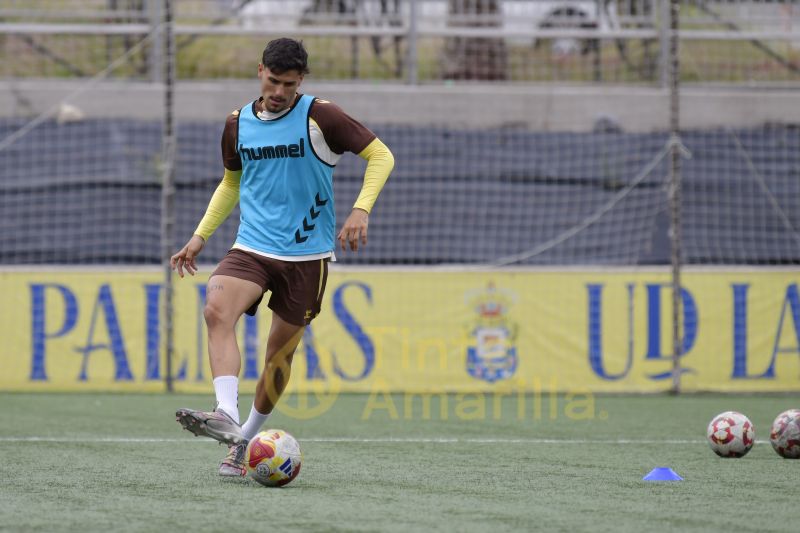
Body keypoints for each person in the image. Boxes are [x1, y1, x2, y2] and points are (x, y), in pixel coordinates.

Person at [171, 38, 394, 476]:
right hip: (251, 247)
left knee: (279, 357)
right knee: (216, 310)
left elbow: (380, 155)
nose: (278, 92)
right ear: (260, 72)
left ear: (301, 81)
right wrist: (199, 236)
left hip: (306, 256)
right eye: (273, 81)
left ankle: (245, 439)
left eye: (288, 84)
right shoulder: (237, 124)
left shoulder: (320, 116)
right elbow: (231, 183)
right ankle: (226, 415)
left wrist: (361, 209)